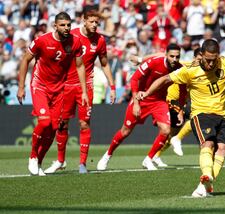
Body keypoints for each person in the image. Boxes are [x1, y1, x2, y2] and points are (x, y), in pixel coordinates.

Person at [137, 39, 225, 197]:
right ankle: (206, 176)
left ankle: (205, 184)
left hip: (223, 115)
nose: (211, 64)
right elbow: (164, 79)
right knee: (208, 143)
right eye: (208, 60)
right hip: (201, 114)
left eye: (214, 60)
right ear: (201, 55)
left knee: (222, 148)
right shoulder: (189, 71)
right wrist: (147, 93)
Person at [43, 10, 116, 174]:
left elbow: (104, 64)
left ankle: (82, 163)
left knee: (84, 123)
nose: (95, 25)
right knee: (62, 124)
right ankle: (60, 160)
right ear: (84, 21)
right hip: (65, 86)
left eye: (97, 22)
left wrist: (112, 87)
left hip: (85, 86)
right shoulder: (71, 35)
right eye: (92, 22)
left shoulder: (100, 41)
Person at [17, 12, 87, 176]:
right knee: (45, 122)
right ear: (55, 26)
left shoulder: (75, 42)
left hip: (59, 89)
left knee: (54, 128)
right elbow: (25, 60)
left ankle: (39, 162)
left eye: (68, 25)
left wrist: (84, 90)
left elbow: (80, 66)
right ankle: (33, 156)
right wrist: (21, 87)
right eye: (62, 25)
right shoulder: (42, 40)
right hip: (40, 85)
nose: (66, 28)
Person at [96, 43, 183, 171]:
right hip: (141, 99)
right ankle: (107, 155)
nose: (174, 59)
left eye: (177, 57)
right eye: (172, 56)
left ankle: (148, 160)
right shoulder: (154, 62)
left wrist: (180, 109)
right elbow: (134, 79)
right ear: (166, 55)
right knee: (125, 131)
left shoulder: (180, 69)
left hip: (159, 102)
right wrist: (136, 102)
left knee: (165, 130)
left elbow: (183, 89)